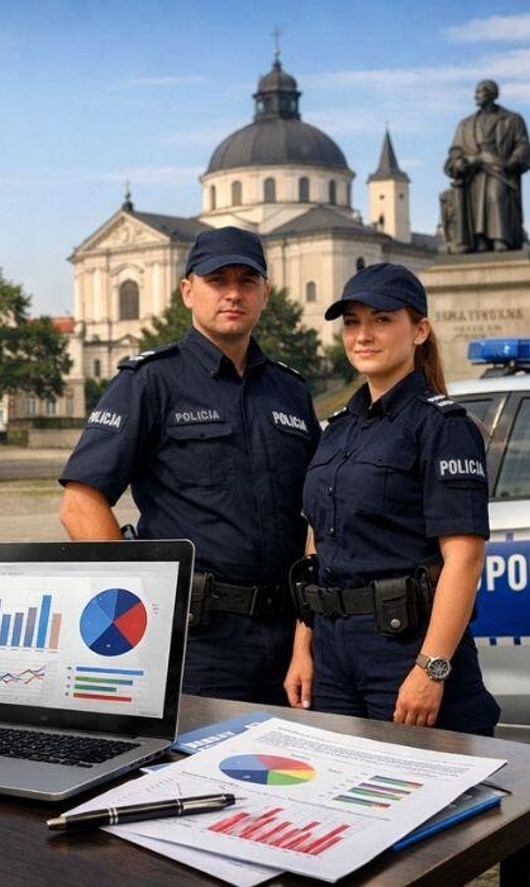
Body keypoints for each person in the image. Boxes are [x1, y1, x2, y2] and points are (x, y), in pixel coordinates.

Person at [59, 227, 320, 704]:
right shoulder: (150, 382)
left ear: (266, 292)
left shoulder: (291, 392)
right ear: (187, 291)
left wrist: (305, 639)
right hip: (195, 642)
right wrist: (140, 606)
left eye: (247, 280)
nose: (233, 293)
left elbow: (319, 519)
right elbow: (80, 504)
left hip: (286, 643)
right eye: (217, 280)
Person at [284, 263, 500, 735]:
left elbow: (464, 559)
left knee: (427, 799)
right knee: (339, 796)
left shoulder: (443, 428)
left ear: (419, 330)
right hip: (334, 656)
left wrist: (431, 668)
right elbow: (317, 548)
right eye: (353, 322)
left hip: (405, 649)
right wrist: (304, 649)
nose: (363, 335)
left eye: (382, 320)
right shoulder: (337, 429)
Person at [443, 79, 530, 252]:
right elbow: (455, 151)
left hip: (500, 171)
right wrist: (460, 162)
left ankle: (501, 239)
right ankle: (480, 240)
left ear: (492, 94)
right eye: (476, 91)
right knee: (475, 203)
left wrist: (512, 162)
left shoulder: (512, 120)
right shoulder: (466, 124)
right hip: (474, 172)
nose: (476, 95)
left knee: (495, 196)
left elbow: (523, 145)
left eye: (481, 91)